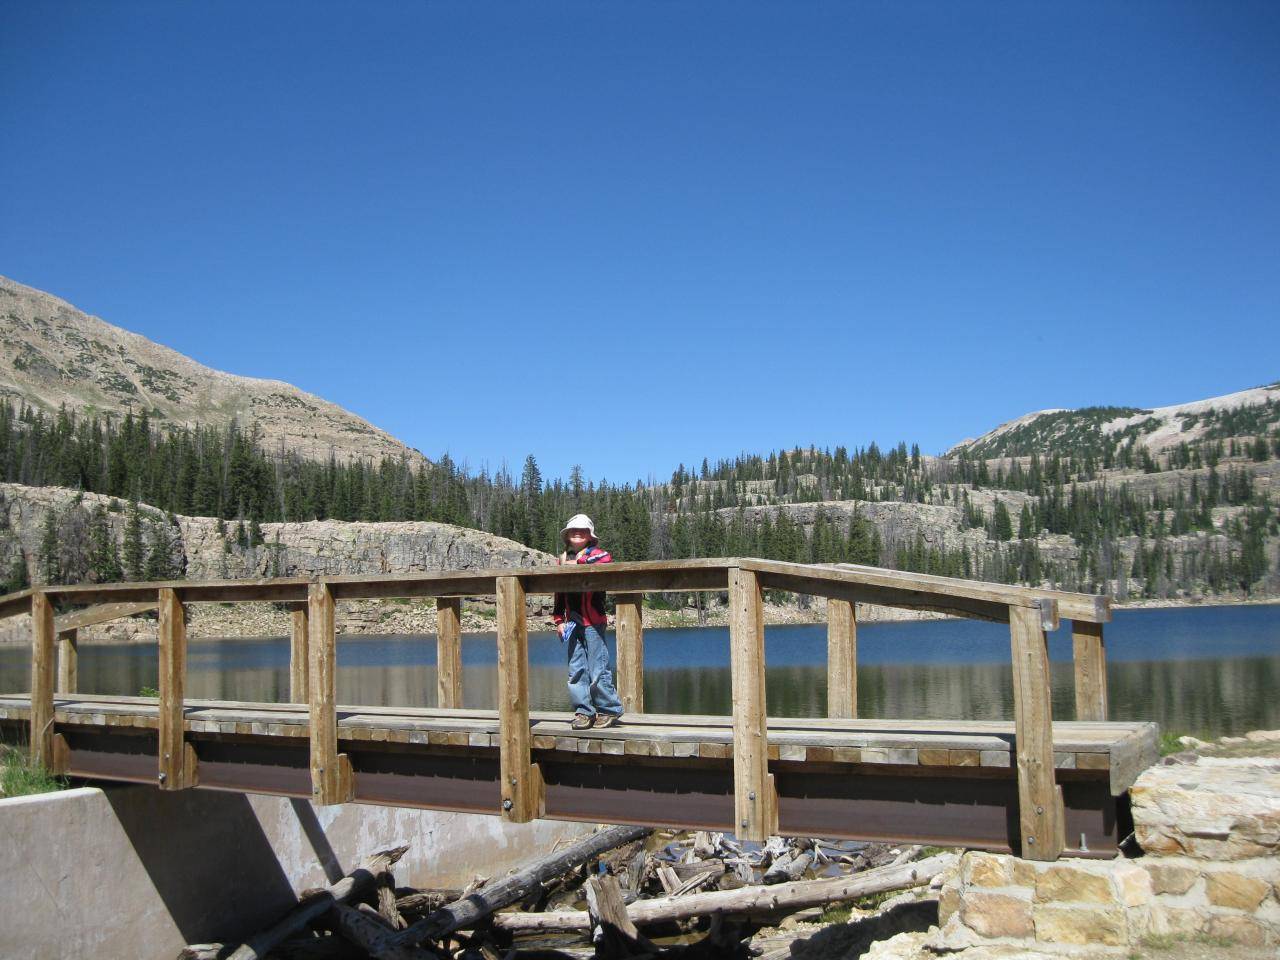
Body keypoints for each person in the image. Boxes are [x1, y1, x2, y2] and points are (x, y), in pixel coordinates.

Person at [552, 513, 624, 730]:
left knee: (598, 666)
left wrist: (575, 562)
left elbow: (606, 561)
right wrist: (558, 620)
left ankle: (609, 709)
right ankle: (584, 711)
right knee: (576, 669)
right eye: (573, 530)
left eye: (582, 530)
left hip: (593, 620)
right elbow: (559, 593)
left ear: (590, 536)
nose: (577, 533)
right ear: (567, 536)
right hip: (572, 622)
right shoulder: (562, 559)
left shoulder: (597, 554)